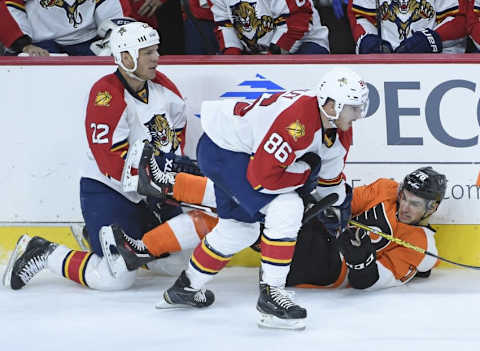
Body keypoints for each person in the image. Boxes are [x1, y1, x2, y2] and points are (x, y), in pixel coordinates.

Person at [139, 68, 368, 331]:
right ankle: (272, 295)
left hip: (240, 154)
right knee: (287, 206)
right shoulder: (298, 122)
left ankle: (185, 287)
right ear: (331, 105)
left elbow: (329, 179)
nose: (359, 113)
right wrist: (305, 178)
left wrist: (339, 205)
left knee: (239, 229)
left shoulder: (340, 128)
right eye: (353, 107)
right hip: (223, 151)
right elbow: (264, 179)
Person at [2, 22, 199, 292]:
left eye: (156, 51)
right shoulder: (106, 96)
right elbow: (110, 162)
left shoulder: (167, 91)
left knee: (177, 263)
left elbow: (175, 144)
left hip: (151, 191)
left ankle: (108, 242)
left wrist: (170, 187)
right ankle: (45, 252)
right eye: (147, 52)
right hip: (109, 191)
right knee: (116, 278)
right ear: (126, 57)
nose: (156, 58)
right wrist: (157, 188)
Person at [286, 166, 447, 290]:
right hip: (322, 236)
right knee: (295, 206)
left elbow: (369, 281)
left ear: (432, 207)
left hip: (334, 268)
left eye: (414, 204)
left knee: (302, 238)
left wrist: (360, 261)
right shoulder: (386, 189)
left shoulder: (423, 246)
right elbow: (343, 205)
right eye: (404, 198)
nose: (404, 207)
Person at [3, 0, 132, 55]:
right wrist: (23, 45)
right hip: (39, 43)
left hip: (87, 41)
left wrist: (114, 40)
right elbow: (8, 6)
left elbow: (114, 14)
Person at [211, 0, 330, 54]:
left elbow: (298, 19)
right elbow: (225, 25)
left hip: (304, 45)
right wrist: (232, 60)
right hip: (256, 52)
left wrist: (272, 57)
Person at [347, 0, 466, 54]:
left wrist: (430, 39)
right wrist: (369, 41)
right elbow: (361, 16)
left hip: (438, 63)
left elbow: (459, 19)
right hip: (385, 62)